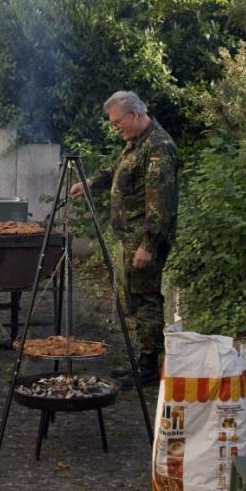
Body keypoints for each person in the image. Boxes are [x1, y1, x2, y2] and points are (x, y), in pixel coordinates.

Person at [69, 91, 178, 389]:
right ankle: (143, 360)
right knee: (135, 298)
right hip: (131, 238)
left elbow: (161, 205)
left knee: (146, 301)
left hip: (144, 241)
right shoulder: (136, 143)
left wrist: (149, 246)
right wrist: (91, 182)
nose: (115, 128)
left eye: (117, 123)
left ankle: (148, 367)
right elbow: (118, 172)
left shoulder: (158, 147)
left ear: (133, 115)